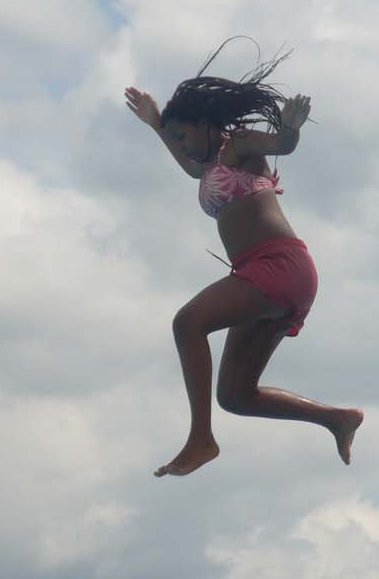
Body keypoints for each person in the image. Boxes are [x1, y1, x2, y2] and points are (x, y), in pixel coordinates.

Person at [125, 44, 362, 478]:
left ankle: (201, 440)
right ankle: (337, 418)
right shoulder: (208, 163)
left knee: (188, 323)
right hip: (265, 275)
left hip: (279, 266)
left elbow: (283, 144)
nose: (182, 147)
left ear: (206, 125)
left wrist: (290, 128)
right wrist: (156, 123)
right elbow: (189, 163)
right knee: (235, 396)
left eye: (184, 136)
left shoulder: (238, 145)